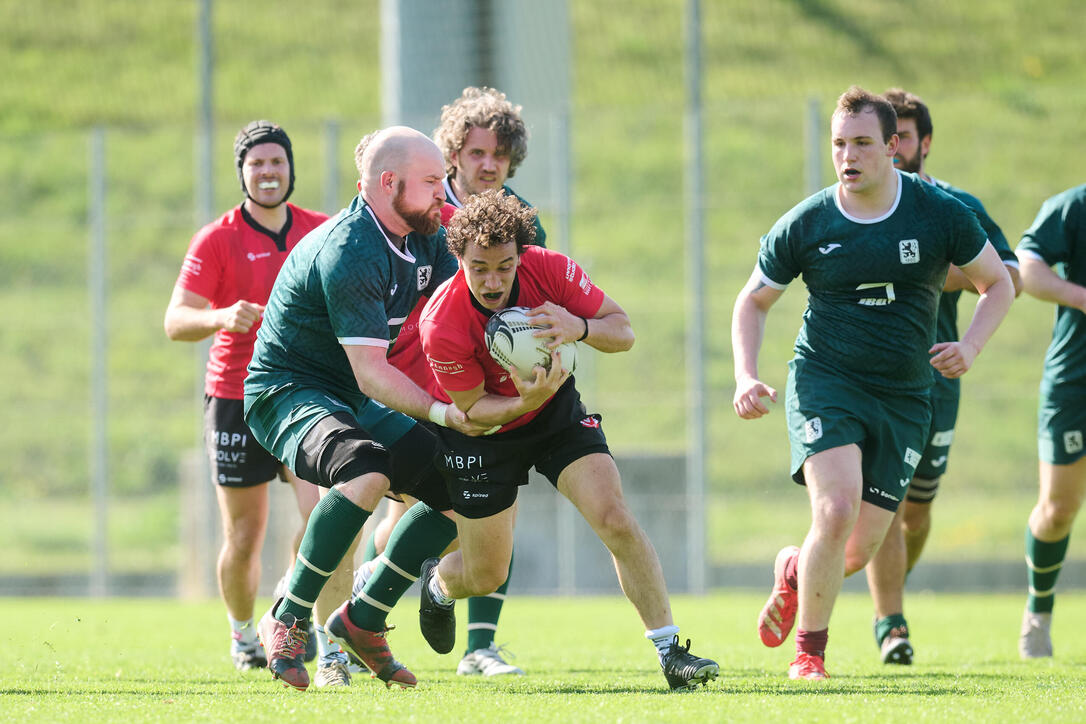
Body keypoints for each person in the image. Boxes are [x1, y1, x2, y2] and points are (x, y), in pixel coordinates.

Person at [731, 87, 1014, 680]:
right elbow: (753, 302)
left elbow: (1000, 282)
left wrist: (970, 346)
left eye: (861, 143)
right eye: (838, 144)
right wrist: (746, 374)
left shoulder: (938, 212)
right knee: (833, 512)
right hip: (826, 380)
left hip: (907, 396)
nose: (848, 155)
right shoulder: (808, 220)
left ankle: (792, 571)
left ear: (892, 148)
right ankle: (810, 655)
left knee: (856, 550)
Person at [409, 188, 718, 691]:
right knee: (486, 575)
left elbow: (623, 331)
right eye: (479, 267)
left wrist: (578, 326)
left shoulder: (549, 269)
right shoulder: (441, 322)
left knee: (614, 516)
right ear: (458, 256)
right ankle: (440, 583)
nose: (493, 281)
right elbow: (470, 409)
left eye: (505, 266)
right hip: (486, 435)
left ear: (521, 257)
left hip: (554, 412)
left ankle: (671, 653)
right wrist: (520, 404)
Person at [242, 126, 488, 691]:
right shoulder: (351, 249)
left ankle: (365, 616)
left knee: (467, 487)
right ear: (388, 183)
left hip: (352, 394)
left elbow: (472, 305)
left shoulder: (427, 230)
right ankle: (288, 615)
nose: (442, 193)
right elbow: (371, 372)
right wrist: (447, 415)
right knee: (365, 469)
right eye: (431, 182)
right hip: (289, 390)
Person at [353, 85, 544, 677]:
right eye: (477, 152)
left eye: (500, 156)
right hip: (420, 384)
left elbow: (530, 299)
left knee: (491, 509)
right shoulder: (426, 214)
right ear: (453, 155)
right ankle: (360, 609)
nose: (488, 165)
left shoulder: (521, 222)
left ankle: (477, 646)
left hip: (492, 390)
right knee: (415, 519)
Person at [163, 121, 356, 687]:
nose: (268, 173)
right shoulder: (216, 239)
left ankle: (299, 615)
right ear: (242, 173)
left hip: (305, 394)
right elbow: (175, 320)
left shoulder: (322, 231)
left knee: (326, 514)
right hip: (234, 398)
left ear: (290, 169)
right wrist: (220, 316)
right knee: (243, 536)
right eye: (257, 164)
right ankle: (243, 633)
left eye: (277, 162)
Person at [863, 88, 1021, 665]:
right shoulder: (858, 205)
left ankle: (891, 584)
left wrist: (941, 271)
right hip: (874, 379)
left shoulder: (952, 205)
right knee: (882, 497)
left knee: (918, 510)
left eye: (903, 136)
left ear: (923, 143)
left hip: (936, 380)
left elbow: (1009, 273)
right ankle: (892, 624)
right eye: (889, 136)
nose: (894, 147)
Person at [1014, 183, 1086, 658]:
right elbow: (1028, 269)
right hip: (1075, 379)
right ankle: (1038, 612)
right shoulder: (1075, 206)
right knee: (1058, 509)